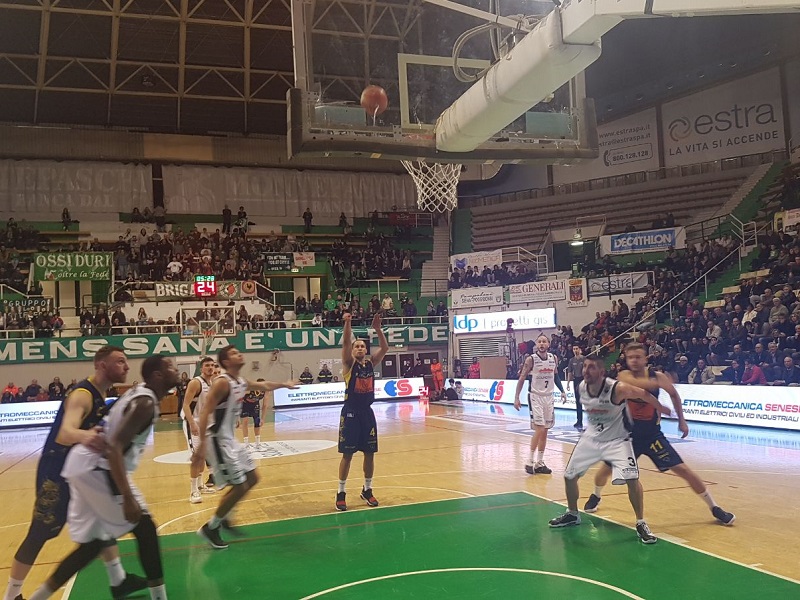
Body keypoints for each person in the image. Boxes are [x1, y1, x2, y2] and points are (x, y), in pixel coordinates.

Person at [28, 356, 179, 600]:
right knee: (146, 530)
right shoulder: (145, 404)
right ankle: (160, 597)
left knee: (93, 545)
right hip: (97, 469)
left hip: (82, 464)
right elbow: (114, 449)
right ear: (158, 376)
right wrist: (128, 498)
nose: (177, 370)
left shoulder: (138, 391)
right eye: (171, 367)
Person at [4, 346, 146, 600]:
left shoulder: (102, 395)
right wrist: (86, 436)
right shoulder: (83, 394)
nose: (126, 366)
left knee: (101, 525)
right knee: (40, 532)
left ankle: (119, 581)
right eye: (120, 361)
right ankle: (11, 594)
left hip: (80, 472)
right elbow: (66, 433)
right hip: (57, 471)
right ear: (101, 365)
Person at [584, 343, 735, 526]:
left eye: (638, 357)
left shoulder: (657, 376)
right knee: (604, 471)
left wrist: (681, 420)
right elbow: (639, 385)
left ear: (646, 358)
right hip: (626, 436)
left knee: (683, 470)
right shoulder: (624, 375)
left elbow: (674, 395)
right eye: (630, 357)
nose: (634, 360)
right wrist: (659, 383)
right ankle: (596, 494)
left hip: (652, 435)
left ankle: (714, 507)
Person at [548, 354, 669, 544]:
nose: (586, 371)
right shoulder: (581, 387)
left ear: (602, 372)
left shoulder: (617, 388)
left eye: (591, 368)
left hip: (617, 440)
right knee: (569, 475)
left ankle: (641, 523)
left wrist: (660, 408)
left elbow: (644, 394)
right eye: (585, 367)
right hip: (592, 438)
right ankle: (572, 513)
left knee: (632, 478)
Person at [194, 346, 298, 549]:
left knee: (252, 478)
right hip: (217, 440)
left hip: (230, 439)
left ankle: (225, 516)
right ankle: (211, 527)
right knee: (240, 485)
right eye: (233, 354)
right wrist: (201, 446)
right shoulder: (222, 383)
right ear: (225, 362)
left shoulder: (239, 381)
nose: (239, 354)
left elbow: (264, 384)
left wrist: (284, 384)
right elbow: (205, 410)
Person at [335, 312, 389, 511]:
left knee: (369, 453)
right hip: (350, 413)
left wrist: (377, 329)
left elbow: (385, 348)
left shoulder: (370, 363)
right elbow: (345, 343)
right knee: (347, 455)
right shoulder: (349, 365)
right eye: (356, 346)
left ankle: (367, 489)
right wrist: (347, 322)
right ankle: (341, 492)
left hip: (367, 412)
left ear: (366, 350)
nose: (359, 348)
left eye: (362, 346)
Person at [514, 334, 566, 475]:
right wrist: (516, 397)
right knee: (540, 428)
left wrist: (562, 391)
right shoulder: (531, 359)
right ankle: (529, 461)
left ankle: (540, 462)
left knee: (545, 430)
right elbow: (522, 377)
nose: (542, 344)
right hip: (535, 396)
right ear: (536, 344)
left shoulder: (553, 358)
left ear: (548, 344)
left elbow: (555, 376)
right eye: (539, 341)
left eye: (544, 341)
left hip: (549, 397)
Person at [181, 357, 217, 504]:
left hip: (206, 424)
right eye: (207, 365)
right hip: (193, 423)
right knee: (196, 458)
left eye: (212, 365)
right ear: (201, 368)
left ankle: (201, 485)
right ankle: (193, 491)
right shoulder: (196, 383)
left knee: (203, 456)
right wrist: (192, 424)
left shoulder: (213, 382)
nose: (210, 368)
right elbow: (185, 405)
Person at [240, 380, 265, 448]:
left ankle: (257, 443)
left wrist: (263, 418)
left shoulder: (266, 391)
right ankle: (246, 443)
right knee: (245, 421)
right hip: (245, 404)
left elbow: (265, 405)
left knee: (257, 421)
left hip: (255, 404)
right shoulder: (250, 389)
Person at [567, 345, 585, 430]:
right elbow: (570, 372)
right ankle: (579, 421)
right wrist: (568, 383)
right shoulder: (571, 360)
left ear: (579, 349)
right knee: (578, 402)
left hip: (583, 380)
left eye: (576, 348)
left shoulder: (584, 359)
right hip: (576, 381)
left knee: (588, 401)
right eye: (574, 349)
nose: (575, 350)